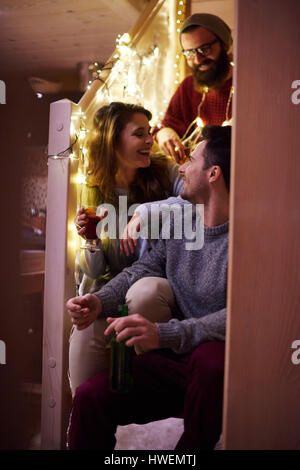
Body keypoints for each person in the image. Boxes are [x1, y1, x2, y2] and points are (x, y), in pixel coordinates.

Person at [66, 124, 231, 450]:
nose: (182, 167)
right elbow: (142, 269)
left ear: (213, 174)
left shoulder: (247, 236)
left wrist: (165, 335)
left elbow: (243, 317)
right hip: (176, 361)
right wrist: (98, 301)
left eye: (192, 160)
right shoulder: (182, 225)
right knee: (89, 398)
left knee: (212, 360)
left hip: (218, 365)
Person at [70, 101, 183, 395]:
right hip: (113, 290)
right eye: (139, 134)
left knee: (141, 294)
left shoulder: (165, 172)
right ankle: (86, 421)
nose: (150, 140)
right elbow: (95, 270)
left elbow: (199, 200)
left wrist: (146, 211)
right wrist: (91, 240)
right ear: (113, 140)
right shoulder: (93, 186)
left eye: (149, 132)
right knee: (83, 339)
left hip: (160, 285)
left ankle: (154, 387)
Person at [156, 13, 233, 162]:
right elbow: (167, 125)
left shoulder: (246, 84)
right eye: (190, 53)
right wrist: (165, 133)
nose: (198, 59)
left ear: (223, 44)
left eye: (204, 49)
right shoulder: (188, 87)